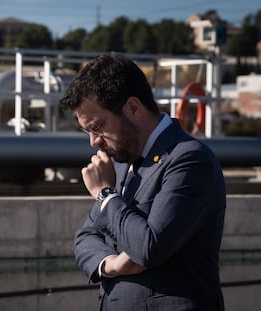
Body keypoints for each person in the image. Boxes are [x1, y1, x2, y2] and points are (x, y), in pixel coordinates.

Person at [59, 54, 226, 311]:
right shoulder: (120, 161)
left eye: (98, 127)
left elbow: (148, 247)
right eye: (87, 131)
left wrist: (105, 194)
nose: (93, 142)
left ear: (134, 108)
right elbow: (85, 237)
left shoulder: (189, 159)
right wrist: (110, 264)